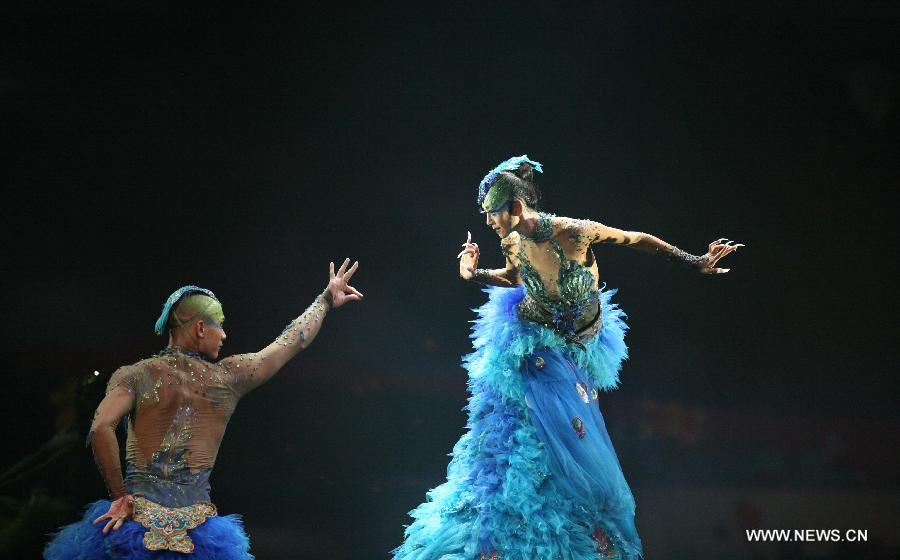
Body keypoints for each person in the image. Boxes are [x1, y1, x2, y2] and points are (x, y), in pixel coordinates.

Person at [393, 156, 742, 560]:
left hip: (580, 336)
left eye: (492, 213)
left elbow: (639, 237)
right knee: (524, 425)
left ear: (517, 208)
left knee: (572, 430)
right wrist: (471, 273)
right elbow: (514, 277)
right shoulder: (511, 241)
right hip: (536, 334)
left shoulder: (572, 232)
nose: (488, 222)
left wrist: (693, 260)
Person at [44, 259, 363, 559]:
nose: (224, 335)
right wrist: (324, 301)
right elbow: (288, 343)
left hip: (133, 524)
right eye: (220, 325)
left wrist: (118, 496)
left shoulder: (134, 375)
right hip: (197, 533)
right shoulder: (227, 377)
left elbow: (100, 427)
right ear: (199, 328)